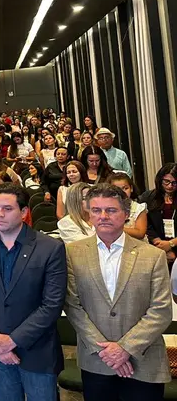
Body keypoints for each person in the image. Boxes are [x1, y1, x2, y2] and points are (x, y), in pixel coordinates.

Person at [65, 184, 172, 400]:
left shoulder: (152, 255)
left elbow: (161, 311)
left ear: (125, 214)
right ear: (89, 214)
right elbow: (72, 305)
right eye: (96, 210)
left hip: (144, 361)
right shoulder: (72, 253)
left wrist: (124, 349)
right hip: (97, 361)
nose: (103, 216)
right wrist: (107, 352)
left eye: (111, 210)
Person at [0, 183, 66, 401]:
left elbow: (51, 305)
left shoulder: (50, 248)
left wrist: (12, 341)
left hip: (37, 352)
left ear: (24, 212)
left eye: (7, 208)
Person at [143, 163, 177, 264]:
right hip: (155, 246)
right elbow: (145, 223)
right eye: (166, 181)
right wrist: (159, 243)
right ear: (160, 179)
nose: (170, 186)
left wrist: (171, 244)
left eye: (175, 183)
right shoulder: (149, 197)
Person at [107, 173, 147, 239]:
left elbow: (140, 233)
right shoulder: (106, 208)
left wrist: (117, 229)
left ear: (131, 188)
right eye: (117, 189)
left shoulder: (139, 208)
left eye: (125, 188)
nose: (122, 192)